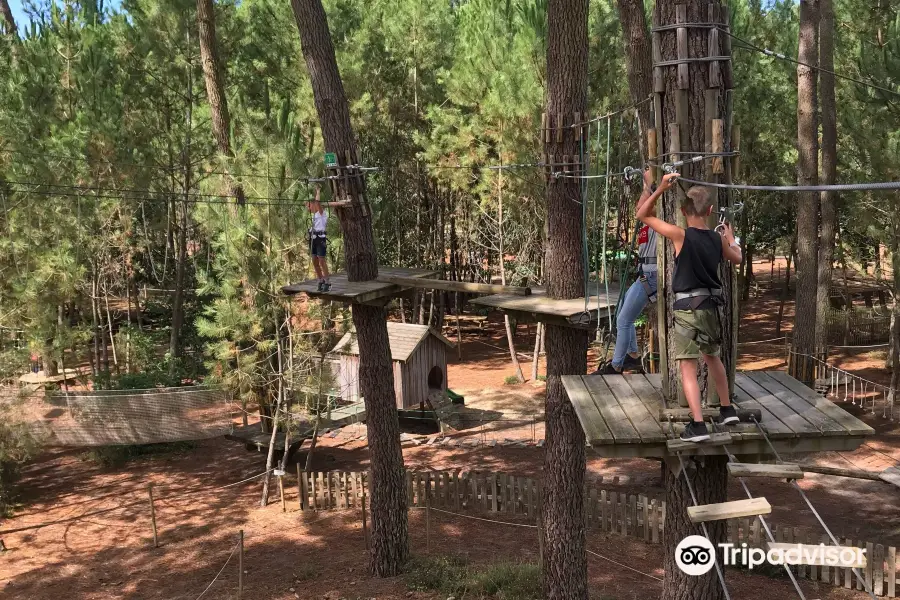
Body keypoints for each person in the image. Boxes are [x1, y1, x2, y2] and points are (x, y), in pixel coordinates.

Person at [636, 173, 743, 442]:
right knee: (713, 357)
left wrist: (659, 187)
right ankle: (727, 408)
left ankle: (697, 425)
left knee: (688, 366)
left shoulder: (679, 235)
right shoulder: (717, 240)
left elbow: (643, 214)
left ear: (683, 211)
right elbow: (738, 258)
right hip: (710, 307)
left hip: (686, 308)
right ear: (709, 211)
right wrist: (731, 238)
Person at [599, 168, 658, 374]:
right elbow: (639, 206)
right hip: (645, 273)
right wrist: (645, 186)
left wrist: (649, 186)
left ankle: (616, 366)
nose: (638, 206)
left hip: (652, 274)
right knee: (623, 314)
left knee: (624, 320)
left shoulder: (655, 221)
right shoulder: (645, 224)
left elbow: (643, 206)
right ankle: (632, 356)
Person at [307, 185, 331, 292]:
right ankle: (320, 279)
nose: (308, 209)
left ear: (313, 205)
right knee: (314, 260)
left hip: (320, 239)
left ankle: (327, 281)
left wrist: (317, 191)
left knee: (321, 260)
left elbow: (317, 203)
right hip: (313, 239)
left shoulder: (322, 214)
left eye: (309, 206)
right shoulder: (313, 216)